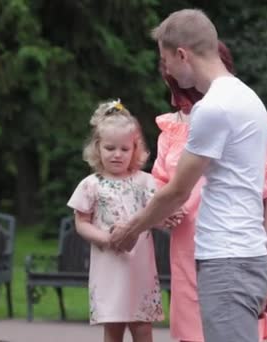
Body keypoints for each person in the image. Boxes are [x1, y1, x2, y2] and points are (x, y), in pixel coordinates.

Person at [110, 9, 267, 342]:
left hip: (226, 262)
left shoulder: (213, 108)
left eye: (166, 60)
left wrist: (131, 230)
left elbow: (177, 191)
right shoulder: (250, 99)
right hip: (247, 257)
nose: (167, 71)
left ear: (182, 54)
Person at [152, 40, 267, 342]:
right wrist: (161, 217)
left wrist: (265, 276)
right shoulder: (170, 133)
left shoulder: (244, 116)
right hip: (187, 261)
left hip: (234, 258)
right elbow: (160, 195)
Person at [67, 100, 171, 342]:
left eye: (125, 149)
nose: (117, 155)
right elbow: (81, 222)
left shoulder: (146, 182)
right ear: (97, 147)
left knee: (142, 326)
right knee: (113, 327)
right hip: (109, 265)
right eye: (110, 148)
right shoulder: (91, 185)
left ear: (136, 149)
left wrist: (167, 218)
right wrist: (105, 238)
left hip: (139, 267)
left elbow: (156, 216)